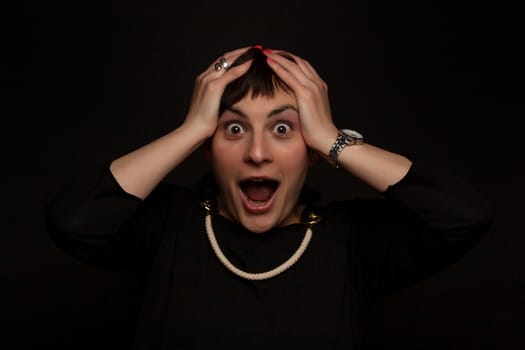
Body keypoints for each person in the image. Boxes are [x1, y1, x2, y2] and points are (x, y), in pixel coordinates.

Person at [45, 45, 494, 349]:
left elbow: (464, 215)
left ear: (311, 150)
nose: (257, 153)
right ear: (208, 146)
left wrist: (332, 138)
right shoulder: (169, 226)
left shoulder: (352, 241)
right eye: (233, 129)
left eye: (283, 129)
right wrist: (190, 129)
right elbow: (73, 221)